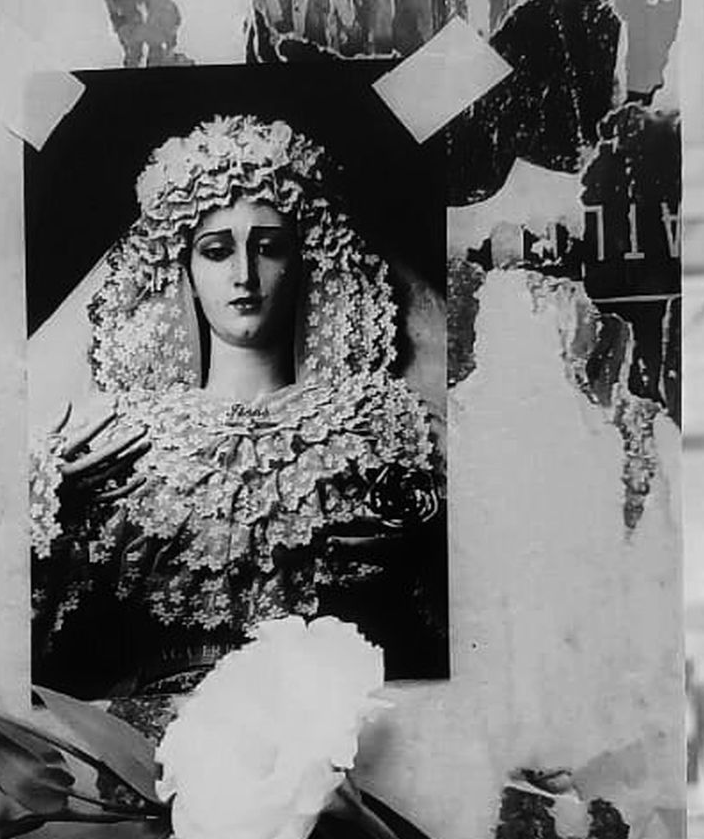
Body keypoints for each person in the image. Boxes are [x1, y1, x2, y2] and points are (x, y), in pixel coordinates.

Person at [29, 113, 444, 728]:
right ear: (186, 273)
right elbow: (42, 650)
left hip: (332, 735)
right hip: (156, 741)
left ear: (306, 262)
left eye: (269, 248)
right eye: (217, 251)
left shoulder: (379, 425)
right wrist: (47, 509)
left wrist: (428, 540)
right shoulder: (121, 438)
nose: (244, 276)